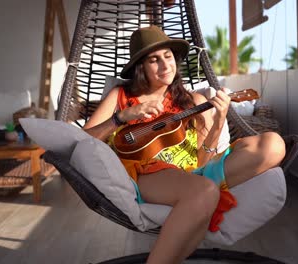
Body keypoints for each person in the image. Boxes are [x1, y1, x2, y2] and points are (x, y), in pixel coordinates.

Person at [83, 26, 285, 264]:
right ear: (141, 67)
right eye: (154, 60)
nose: (165, 65)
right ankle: (200, 199)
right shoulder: (120, 95)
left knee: (273, 144)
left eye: (168, 56)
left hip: (195, 171)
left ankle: (198, 199)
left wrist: (219, 121)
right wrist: (122, 117)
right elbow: (85, 141)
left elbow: (202, 160)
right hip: (149, 172)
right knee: (204, 190)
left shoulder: (192, 101)